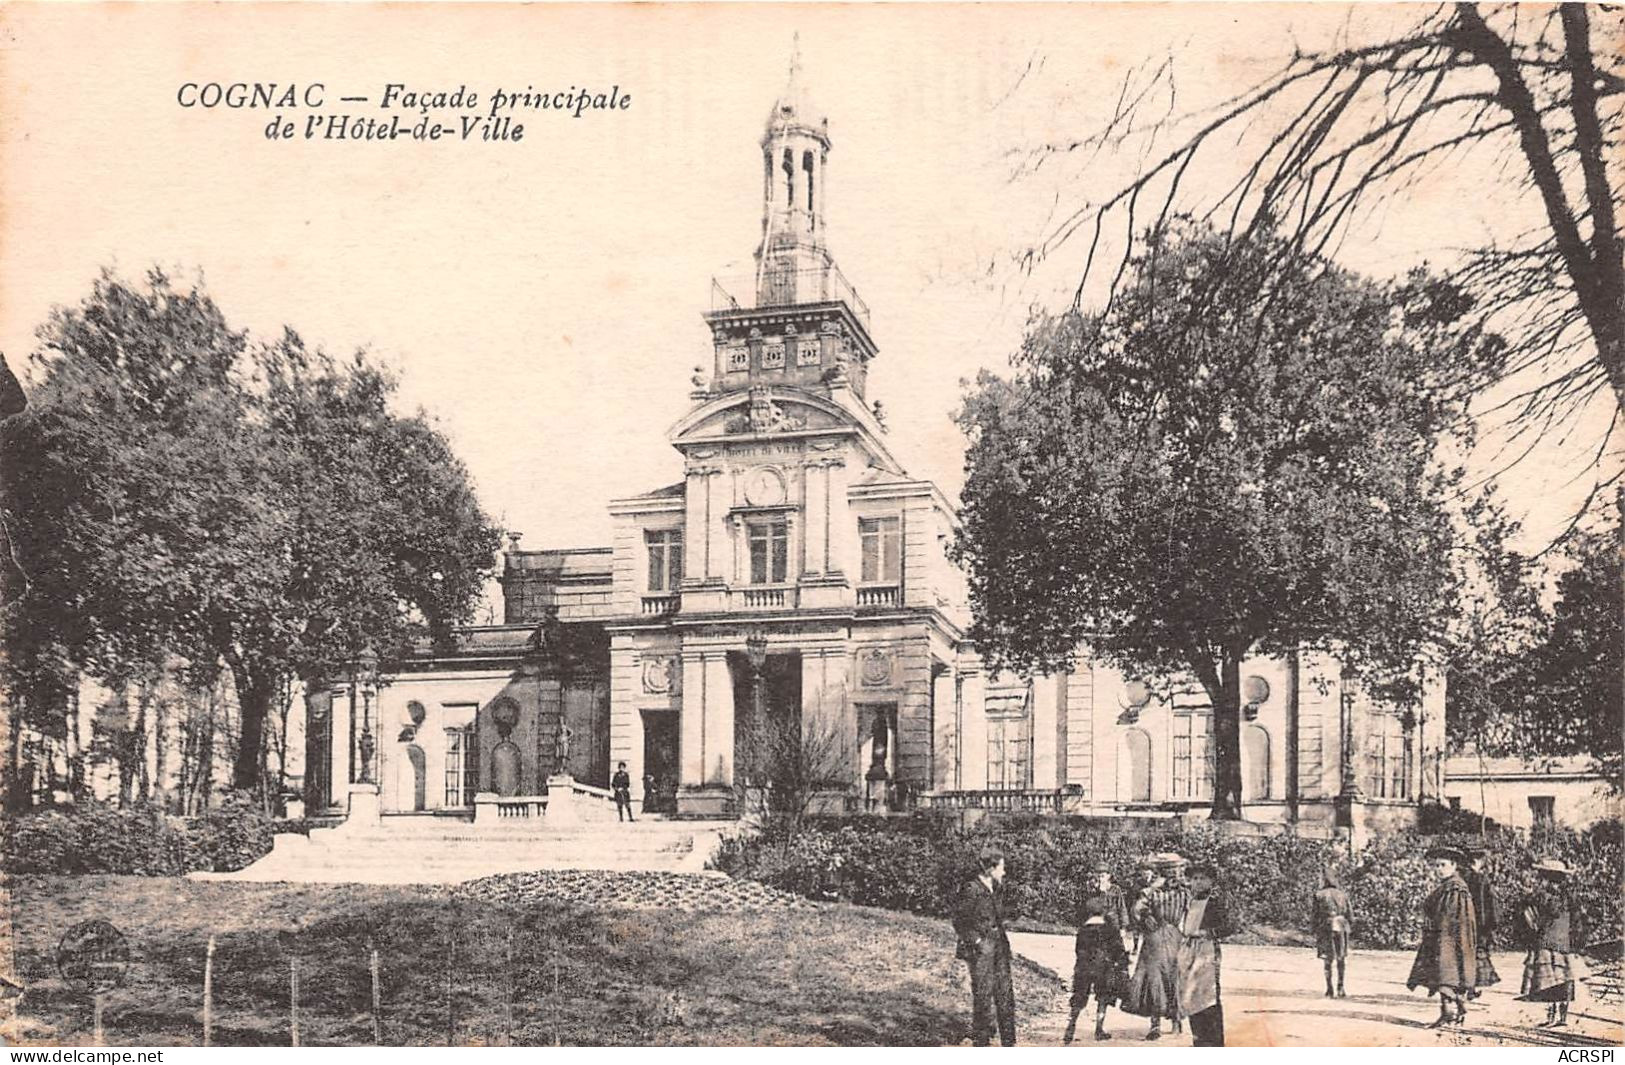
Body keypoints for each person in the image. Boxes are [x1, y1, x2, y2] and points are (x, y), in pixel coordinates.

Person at [1406, 846, 1479, 1027]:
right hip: (1441, 937)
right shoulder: (1448, 886)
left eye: (1443, 865)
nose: (1438, 869)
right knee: (1443, 975)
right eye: (1436, 865)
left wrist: (1439, 932)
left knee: (1447, 974)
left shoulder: (1455, 888)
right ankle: (1453, 1011)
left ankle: (1450, 1013)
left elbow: (1452, 917)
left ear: (1454, 865)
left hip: (1450, 939)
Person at [1121, 852, 1190, 1040]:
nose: (1175, 875)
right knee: (1154, 978)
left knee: (1176, 976)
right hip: (1155, 939)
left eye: (1176, 871)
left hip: (1175, 937)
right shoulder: (1152, 891)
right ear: (1163, 872)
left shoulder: (1184, 892)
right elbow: (1136, 910)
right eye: (1171, 871)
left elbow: (1193, 914)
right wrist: (1145, 918)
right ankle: (1155, 1024)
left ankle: (1176, 1020)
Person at [953, 847, 1016, 1046]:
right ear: (990, 868)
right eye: (1001, 868)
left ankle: (1009, 1042)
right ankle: (981, 1042)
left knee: (1005, 993)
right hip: (980, 950)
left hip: (999, 948)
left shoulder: (996, 887)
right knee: (983, 995)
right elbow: (960, 921)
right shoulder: (971, 888)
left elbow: (1002, 914)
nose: (1004, 872)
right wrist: (978, 942)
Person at [1516, 858, 1587, 1028]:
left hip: (1547, 942)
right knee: (1563, 979)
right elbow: (1577, 922)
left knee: (1549, 980)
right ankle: (1561, 1017)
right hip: (1563, 944)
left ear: (1548, 877)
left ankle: (1552, 1016)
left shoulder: (1543, 896)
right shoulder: (1570, 897)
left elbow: (1533, 917)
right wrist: (1576, 943)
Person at [1063, 864, 1131, 1043]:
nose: (1101, 877)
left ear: (1109, 875)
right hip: (1104, 945)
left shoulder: (1115, 891)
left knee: (1085, 986)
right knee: (1102, 985)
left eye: (1104, 874)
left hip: (1097, 945)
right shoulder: (1091, 894)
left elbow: (1121, 911)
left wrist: (1123, 928)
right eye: (1098, 874)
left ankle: (1079, 1026)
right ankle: (1088, 1027)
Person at [1179, 863, 1235, 1047]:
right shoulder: (1189, 901)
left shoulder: (1215, 902)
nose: (1198, 882)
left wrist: (1209, 933)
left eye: (1202, 878)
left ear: (1211, 881)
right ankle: (1199, 1039)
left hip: (1207, 951)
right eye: (1195, 878)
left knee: (1208, 996)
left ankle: (1214, 1043)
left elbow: (1230, 926)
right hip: (1189, 950)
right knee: (1190, 994)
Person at [1461, 844, 1500, 996]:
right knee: (1476, 955)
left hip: (1463, 923)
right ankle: (1470, 988)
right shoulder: (1480, 879)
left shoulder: (1461, 878)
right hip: (1479, 924)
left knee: (1465, 955)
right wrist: (1491, 924)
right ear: (1477, 860)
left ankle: (1468, 988)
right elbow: (1488, 904)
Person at [1311, 866, 1353, 998]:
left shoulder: (1319, 895)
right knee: (1341, 958)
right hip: (1341, 926)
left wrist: (1314, 929)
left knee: (1327, 960)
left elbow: (1315, 915)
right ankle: (1341, 987)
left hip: (1326, 927)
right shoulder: (1343, 895)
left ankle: (1329, 989)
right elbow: (1350, 915)